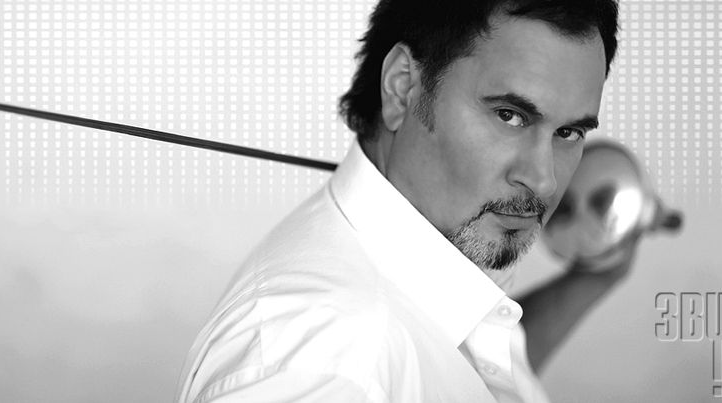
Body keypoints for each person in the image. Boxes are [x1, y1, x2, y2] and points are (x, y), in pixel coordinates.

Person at [177, 0, 621, 402]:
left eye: (569, 132)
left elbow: (457, 369)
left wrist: (594, 276)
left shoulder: (432, 251)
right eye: (510, 116)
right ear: (402, 86)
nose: (543, 180)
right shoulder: (323, 361)